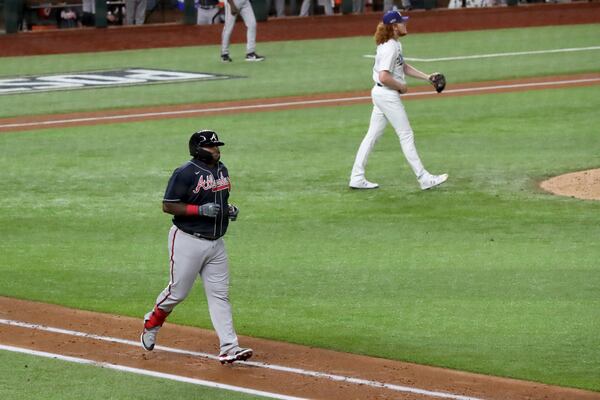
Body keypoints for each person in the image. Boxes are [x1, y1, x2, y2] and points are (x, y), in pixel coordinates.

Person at [140, 129, 253, 365]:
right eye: (212, 147)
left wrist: (229, 209)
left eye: (217, 146)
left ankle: (229, 347)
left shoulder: (222, 170)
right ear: (199, 150)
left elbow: (219, 199)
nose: (217, 150)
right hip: (187, 240)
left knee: (220, 296)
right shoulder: (184, 173)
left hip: (216, 244)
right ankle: (152, 322)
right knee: (177, 293)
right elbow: (168, 205)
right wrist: (197, 210)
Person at [349, 10, 448, 190]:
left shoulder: (395, 44)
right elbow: (384, 76)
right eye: (402, 22)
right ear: (394, 27)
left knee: (372, 136)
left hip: (381, 94)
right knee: (406, 134)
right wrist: (401, 87)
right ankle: (423, 178)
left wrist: (427, 77)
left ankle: (356, 177)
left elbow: (402, 66)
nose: (405, 24)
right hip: (386, 95)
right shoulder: (390, 47)